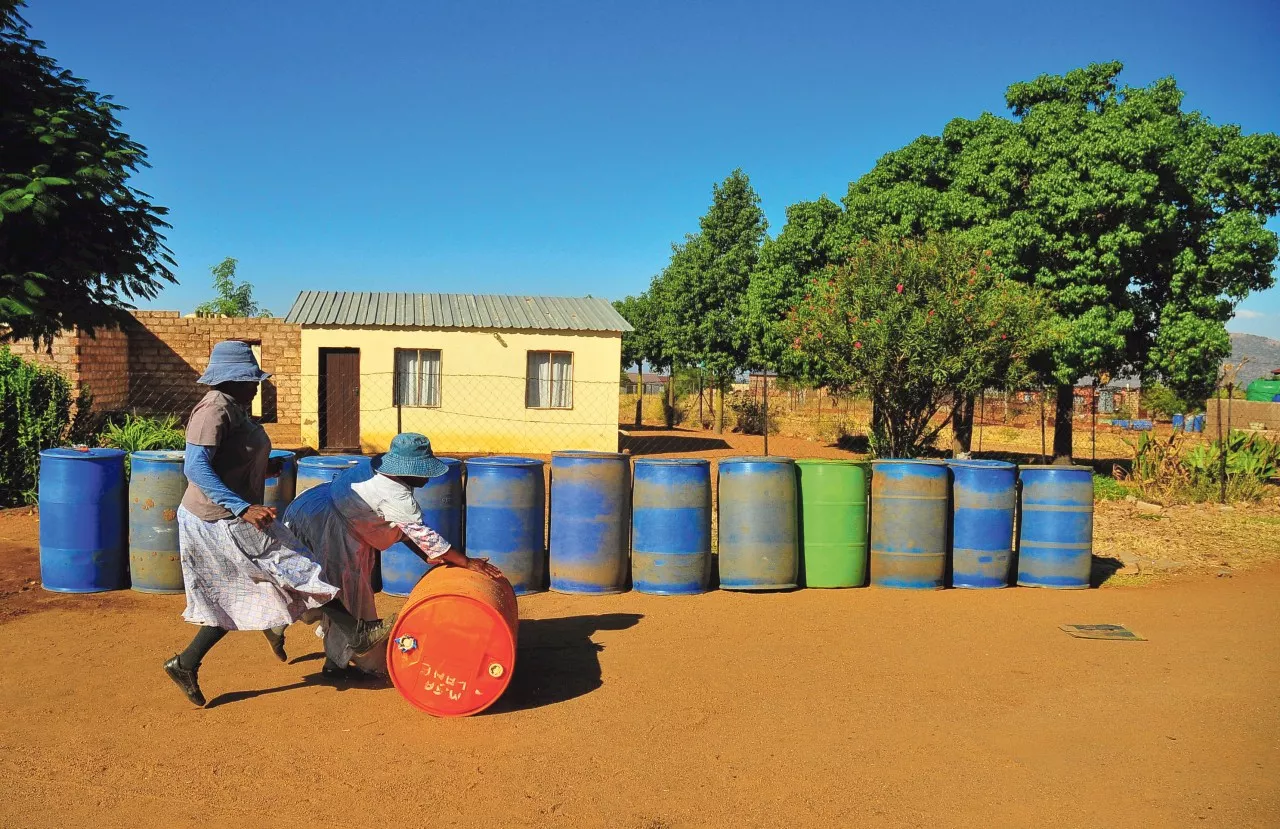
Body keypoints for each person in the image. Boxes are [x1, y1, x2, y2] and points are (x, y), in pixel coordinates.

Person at [163, 340, 356, 708]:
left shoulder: (235, 408)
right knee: (297, 567)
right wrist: (241, 507)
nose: (256, 386)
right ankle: (357, 633)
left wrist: (259, 468)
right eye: (250, 380)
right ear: (231, 380)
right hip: (217, 520)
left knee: (234, 594)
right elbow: (196, 466)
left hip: (229, 517)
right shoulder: (212, 410)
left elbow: (226, 458)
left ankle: (185, 663)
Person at [283, 432, 502, 678]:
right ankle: (341, 664)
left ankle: (285, 625)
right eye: (423, 471)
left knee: (322, 586)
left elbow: (400, 530)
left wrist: (426, 555)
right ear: (407, 471)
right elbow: (422, 534)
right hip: (331, 527)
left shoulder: (375, 467)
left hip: (313, 507)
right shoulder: (397, 495)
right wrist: (466, 562)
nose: (428, 477)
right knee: (349, 597)